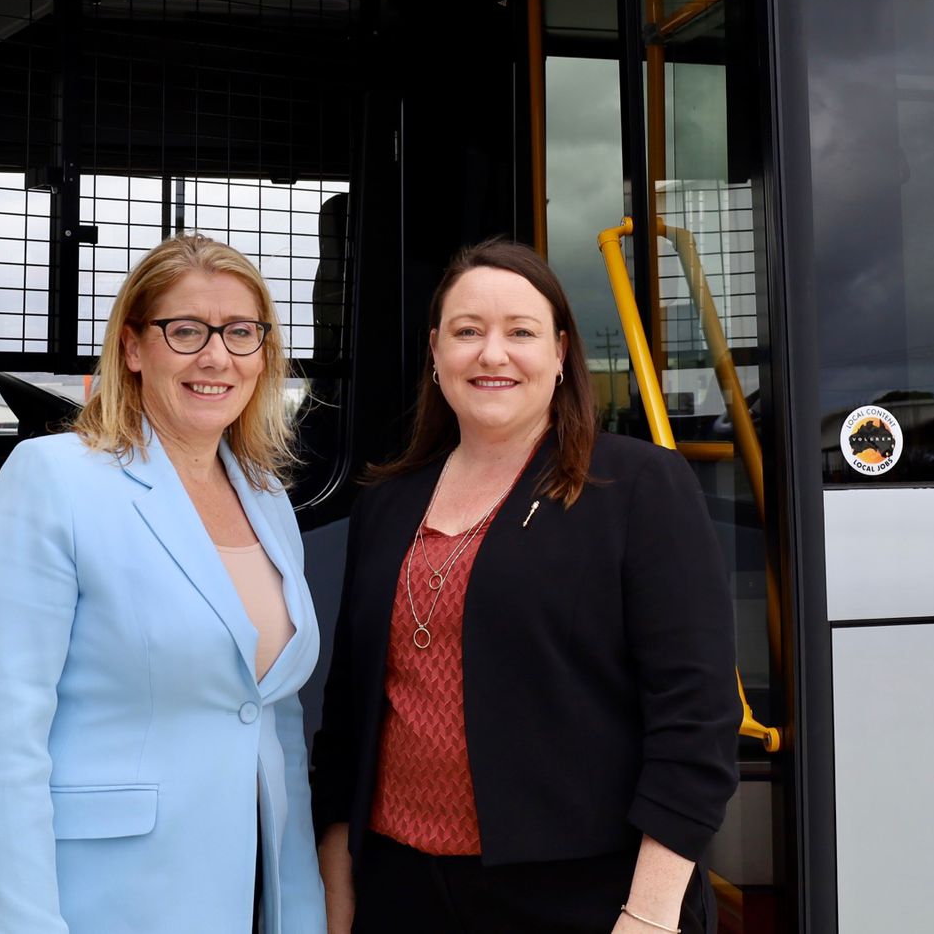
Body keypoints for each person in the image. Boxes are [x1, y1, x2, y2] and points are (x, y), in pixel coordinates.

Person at [312, 238, 740, 934]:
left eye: (521, 332)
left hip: (585, 896)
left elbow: (697, 717)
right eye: (467, 332)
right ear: (435, 349)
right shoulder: (386, 506)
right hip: (400, 888)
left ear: (562, 350)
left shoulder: (638, 487)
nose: (492, 354)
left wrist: (651, 915)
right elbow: (348, 717)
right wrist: (338, 882)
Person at [0, 235, 327, 934]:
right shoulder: (53, 478)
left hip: (245, 895)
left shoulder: (267, 499)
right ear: (132, 348)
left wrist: (300, 907)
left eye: (241, 332)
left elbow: (274, 721)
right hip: (95, 901)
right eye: (186, 331)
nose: (217, 356)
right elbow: (1, 745)